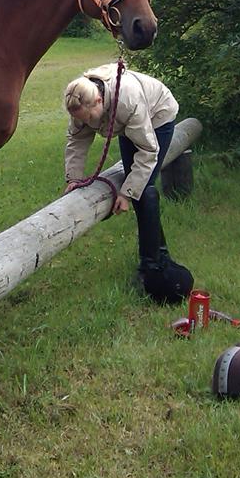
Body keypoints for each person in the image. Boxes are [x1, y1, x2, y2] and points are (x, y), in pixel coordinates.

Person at [63, 63, 194, 304]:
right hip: (126, 125)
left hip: (157, 115)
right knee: (138, 189)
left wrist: (127, 193)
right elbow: (77, 140)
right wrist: (74, 179)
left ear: (99, 100)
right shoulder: (80, 101)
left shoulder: (128, 101)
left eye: (90, 118)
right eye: (82, 120)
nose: (88, 124)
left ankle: (150, 267)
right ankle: (159, 257)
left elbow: (148, 151)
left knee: (142, 191)